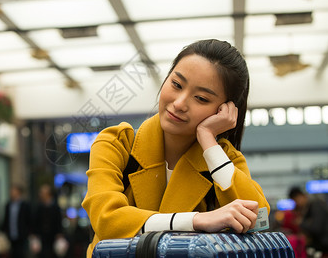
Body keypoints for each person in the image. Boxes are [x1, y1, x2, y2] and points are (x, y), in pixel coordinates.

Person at [82, 39, 270, 257]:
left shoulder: (223, 159)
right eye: (176, 84)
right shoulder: (117, 143)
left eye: (201, 98)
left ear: (224, 110)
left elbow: (259, 219)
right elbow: (107, 221)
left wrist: (208, 141)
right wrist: (197, 221)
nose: (180, 103)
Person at [289, 186, 328, 257]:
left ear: (301, 196)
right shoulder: (309, 207)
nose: (296, 203)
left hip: (324, 246)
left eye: (296, 200)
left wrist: (301, 223)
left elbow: (317, 228)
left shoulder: (316, 205)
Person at [33, 184, 65, 258]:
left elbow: (59, 221)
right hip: (42, 236)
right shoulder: (39, 207)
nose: (40, 194)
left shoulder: (56, 207)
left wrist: (59, 233)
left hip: (53, 236)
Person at [2, 184, 32, 258]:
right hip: (10, 235)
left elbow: (29, 220)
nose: (11, 193)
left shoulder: (25, 205)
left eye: (13, 191)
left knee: (21, 254)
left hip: (22, 235)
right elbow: (5, 220)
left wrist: (28, 232)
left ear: (19, 192)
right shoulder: (8, 205)